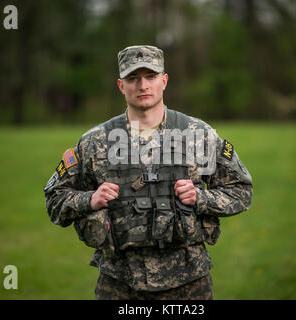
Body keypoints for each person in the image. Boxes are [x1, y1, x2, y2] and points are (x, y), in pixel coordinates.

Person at [43, 45, 253, 300]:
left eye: (151, 76)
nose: (143, 85)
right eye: (133, 78)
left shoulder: (199, 135)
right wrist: (88, 200)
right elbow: (55, 198)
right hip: (120, 285)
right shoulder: (94, 141)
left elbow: (241, 191)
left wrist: (201, 198)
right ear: (121, 86)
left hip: (188, 284)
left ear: (164, 81)